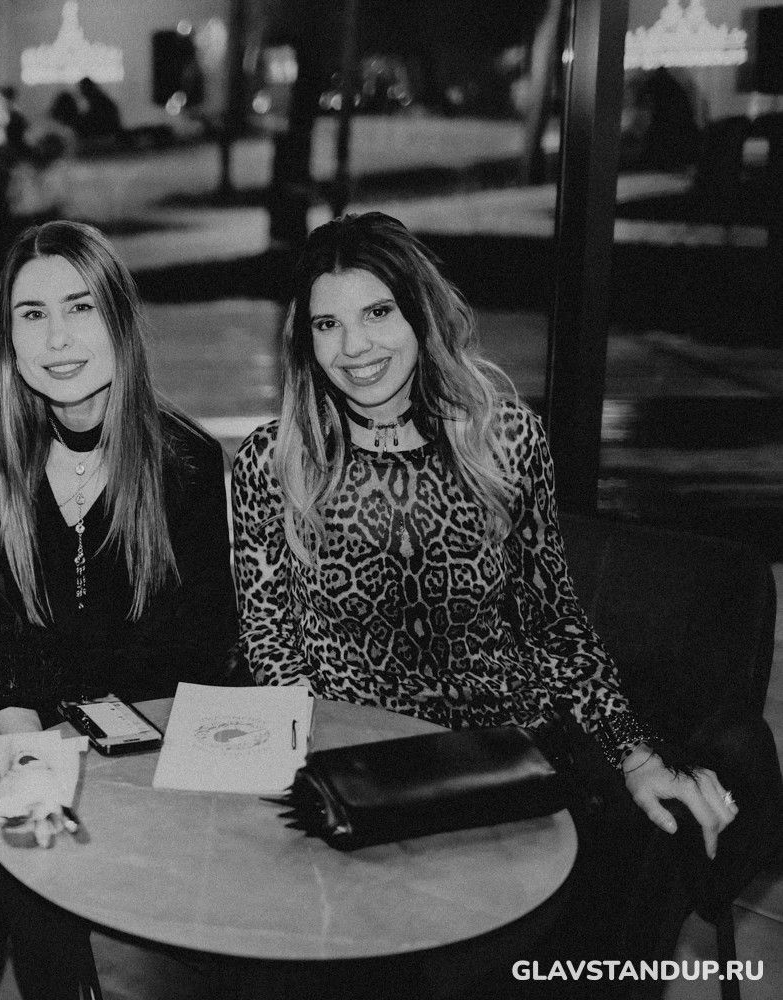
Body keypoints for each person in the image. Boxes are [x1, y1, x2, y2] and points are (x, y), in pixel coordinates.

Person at [230, 212, 780, 995]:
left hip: (499, 761)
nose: (354, 348)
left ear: (421, 314)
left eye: (378, 312)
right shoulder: (274, 459)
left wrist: (638, 759)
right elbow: (270, 636)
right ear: (303, 340)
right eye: (328, 324)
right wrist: (303, 762)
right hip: (356, 766)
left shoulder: (503, 438)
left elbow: (554, 625)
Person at [0, 220, 239, 999]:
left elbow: (192, 654)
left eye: (81, 308)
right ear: (9, 337)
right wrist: (30, 752)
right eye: (32, 314)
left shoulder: (186, 462)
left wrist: (82, 745)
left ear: (120, 321)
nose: (58, 338)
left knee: (52, 886)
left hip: (129, 747)